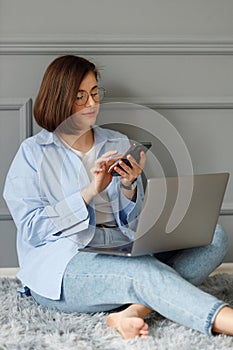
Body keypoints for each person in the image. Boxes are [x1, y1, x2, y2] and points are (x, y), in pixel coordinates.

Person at [3, 54, 233, 340]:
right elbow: (32, 230)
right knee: (143, 270)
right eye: (80, 96)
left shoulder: (117, 143)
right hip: (63, 265)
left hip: (118, 246)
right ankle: (223, 320)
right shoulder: (33, 153)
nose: (92, 103)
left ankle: (134, 310)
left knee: (215, 236)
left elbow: (133, 223)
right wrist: (90, 191)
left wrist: (129, 186)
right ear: (59, 98)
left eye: (95, 93)